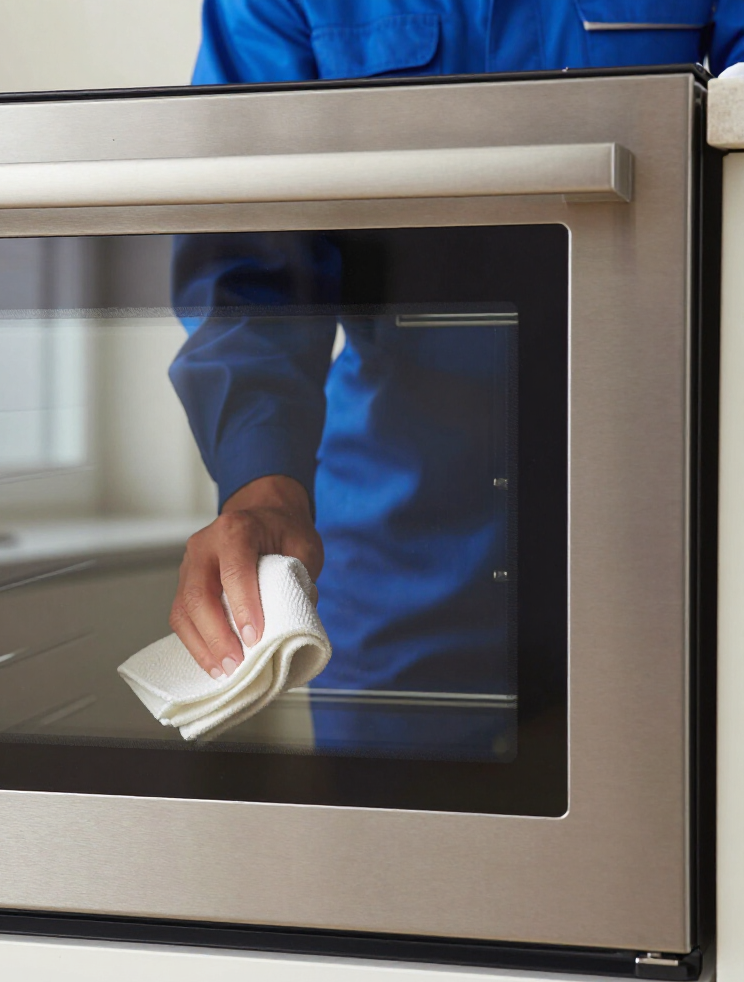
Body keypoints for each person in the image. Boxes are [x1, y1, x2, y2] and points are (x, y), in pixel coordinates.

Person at [167, 0, 744, 753]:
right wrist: (263, 483)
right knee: (404, 860)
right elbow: (249, 263)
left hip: (683, 535)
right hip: (403, 549)